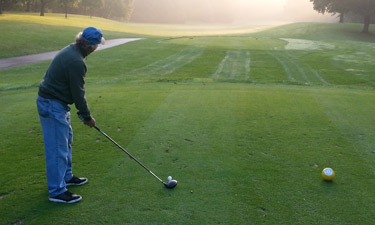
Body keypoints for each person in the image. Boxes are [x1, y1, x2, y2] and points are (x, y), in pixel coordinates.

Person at [36, 27, 105, 203]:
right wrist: (87, 117)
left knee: (66, 140)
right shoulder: (76, 62)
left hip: (56, 103)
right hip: (52, 104)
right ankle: (57, 191)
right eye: (96, 45)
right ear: (90, 46)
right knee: (57, 148)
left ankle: (66, 177)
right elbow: (78, 94)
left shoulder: (71, 49)